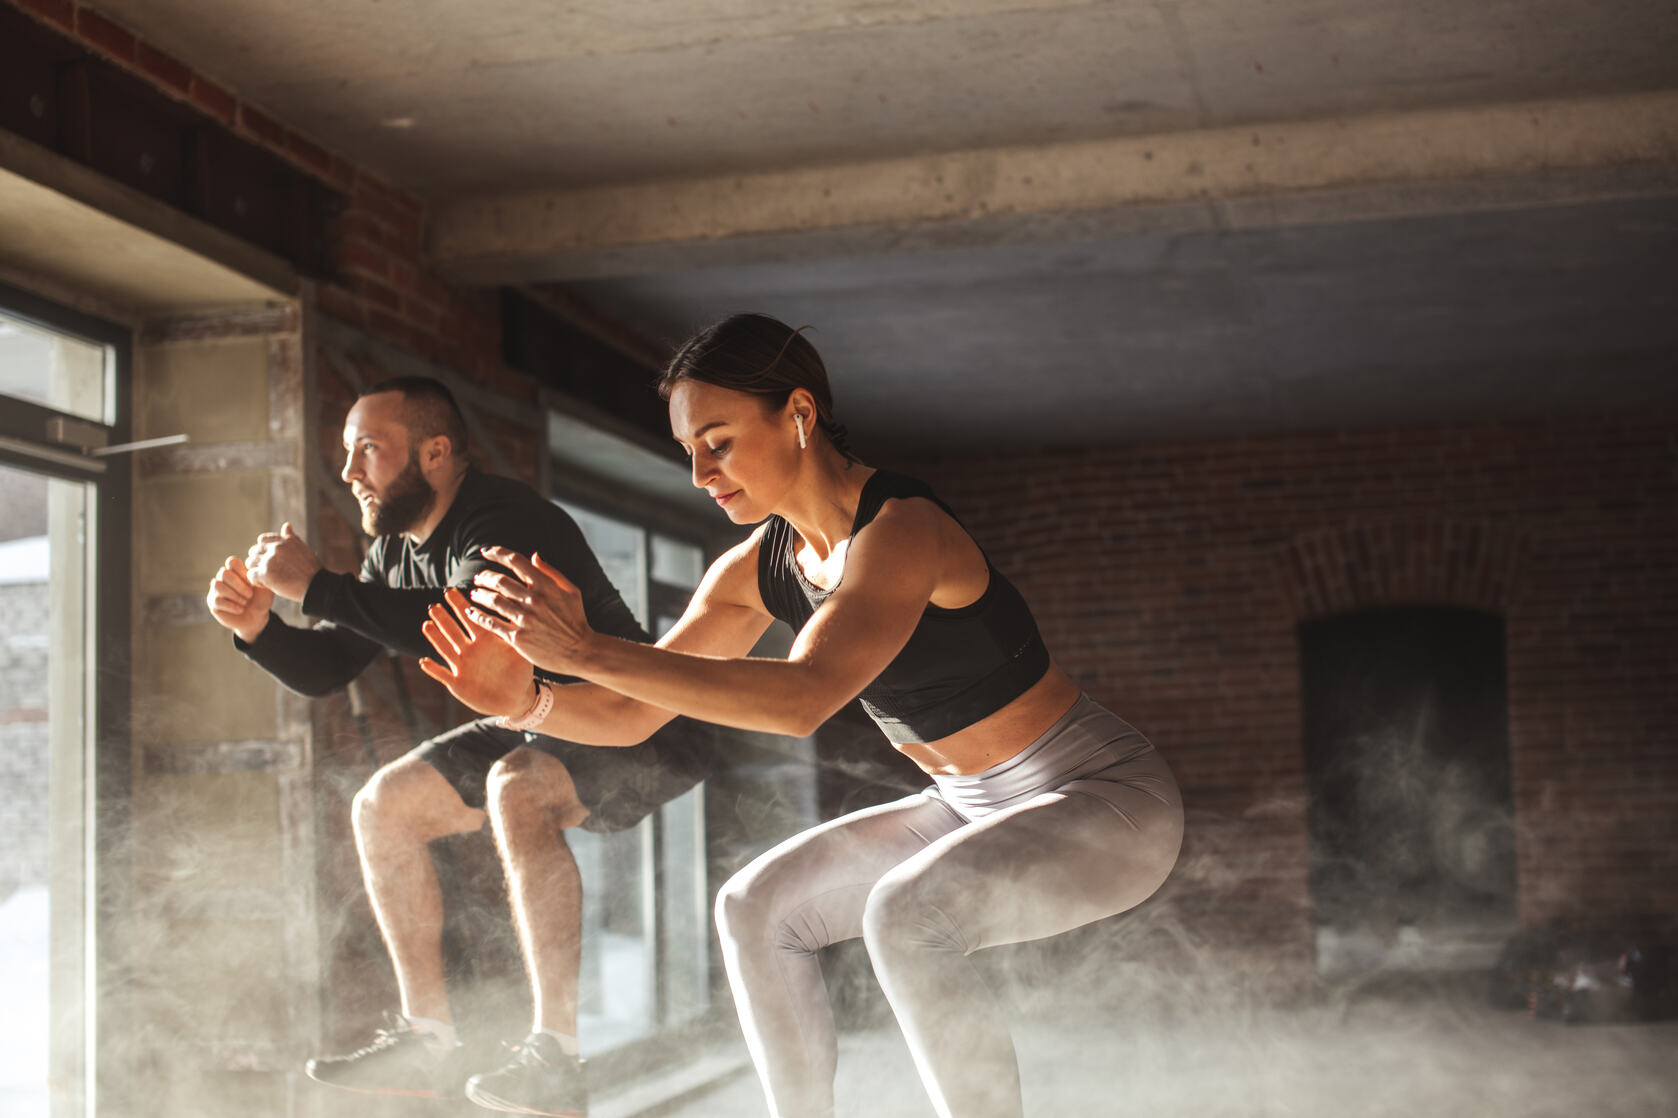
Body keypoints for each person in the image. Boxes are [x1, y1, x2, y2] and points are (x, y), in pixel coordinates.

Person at [416, 314, 1185, 1118]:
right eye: (689, 453)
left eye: (717, 441)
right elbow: (631, 713)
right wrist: (531, 701)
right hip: (963, 806)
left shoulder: (903, 530)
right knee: (753, 907)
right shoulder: (754, 567)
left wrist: (585, 650)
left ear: (799, 415)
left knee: (904, 914)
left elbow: (804, 695)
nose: (701, 474)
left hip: (1107, 799)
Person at [204, 375, 708, 1118]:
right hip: (530, 718)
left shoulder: (504, 517)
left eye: (368, 450)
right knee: (384, 805)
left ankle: (556, 1058)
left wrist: (315, 585)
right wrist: (259, 630)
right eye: (347, 455)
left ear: (436, 452)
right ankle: (429, 1038)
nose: (350, 474)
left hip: (642, 718)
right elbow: (328, 667)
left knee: (517, 784)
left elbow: (463, 620)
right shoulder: (394, 554)